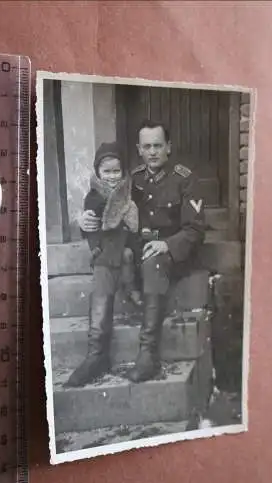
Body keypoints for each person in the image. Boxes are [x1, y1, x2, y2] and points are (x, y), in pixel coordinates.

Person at [79, 120, 206, 383]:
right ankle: (96, 354)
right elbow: (102, 207)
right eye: (147, 146)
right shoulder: (130, 179)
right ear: (139, 149)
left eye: (158, 145)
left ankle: (148, 354)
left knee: (153, 261)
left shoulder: (185, 179)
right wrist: (83, 221)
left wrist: (167, 244)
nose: (152, 151)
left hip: (169, 255)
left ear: (168, 147)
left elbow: (195, 229)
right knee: (105, 261)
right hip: (135, 250)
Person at [65, 142, 142, 388]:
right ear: (98, 173)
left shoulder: (132, 191)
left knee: (125, 257)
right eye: (106, 172)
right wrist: (85, 227)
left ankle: (132, 290)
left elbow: (140, 227)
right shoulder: (94, 196)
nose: (111, 176)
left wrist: (133, 220)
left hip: (133, 252)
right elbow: (92, 229)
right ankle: (96, 354)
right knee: (102, 275)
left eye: (116, 171)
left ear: (123, 171)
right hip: (106, 253)